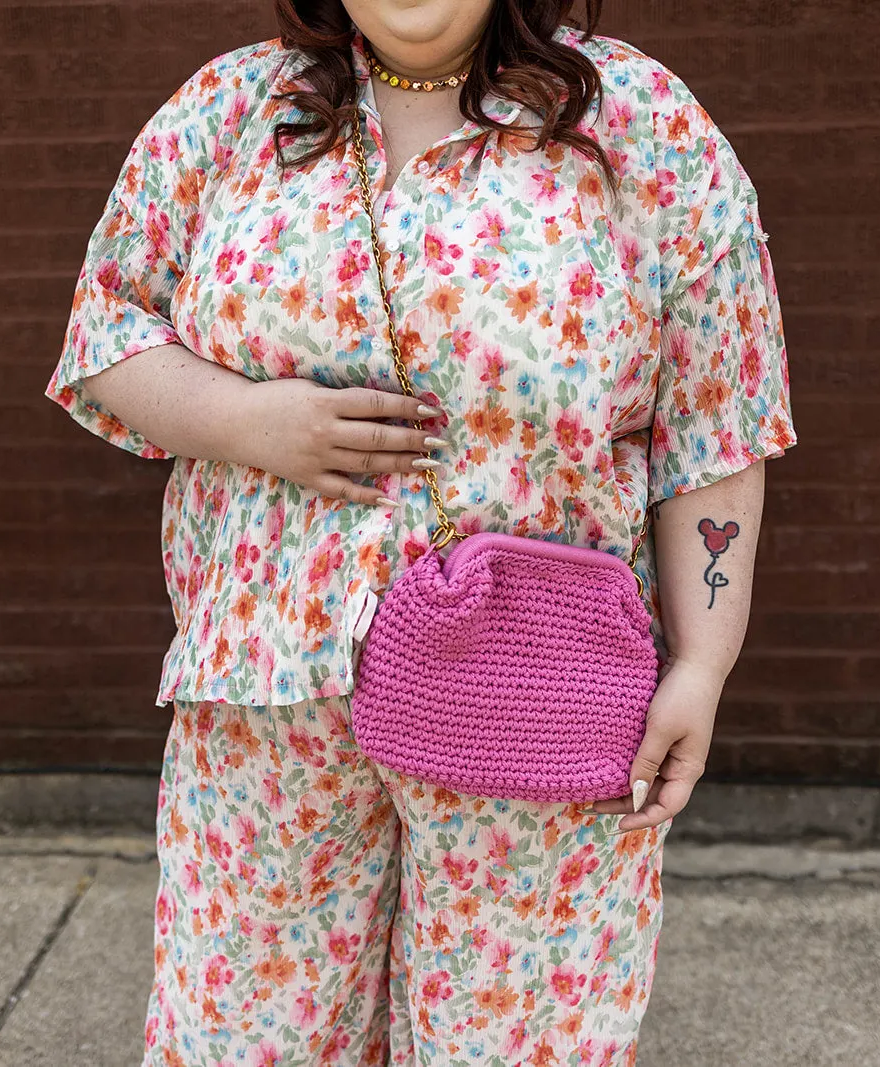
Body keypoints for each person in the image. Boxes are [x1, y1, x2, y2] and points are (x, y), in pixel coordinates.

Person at [43, 0, 796, 1062]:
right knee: (247, 1037)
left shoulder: (641, 125)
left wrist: (705, 660)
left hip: (530, 697)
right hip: (267, 692)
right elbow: (106, 330)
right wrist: (253, 422)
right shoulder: (228, 112)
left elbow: (719, 416)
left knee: (515, 1039)